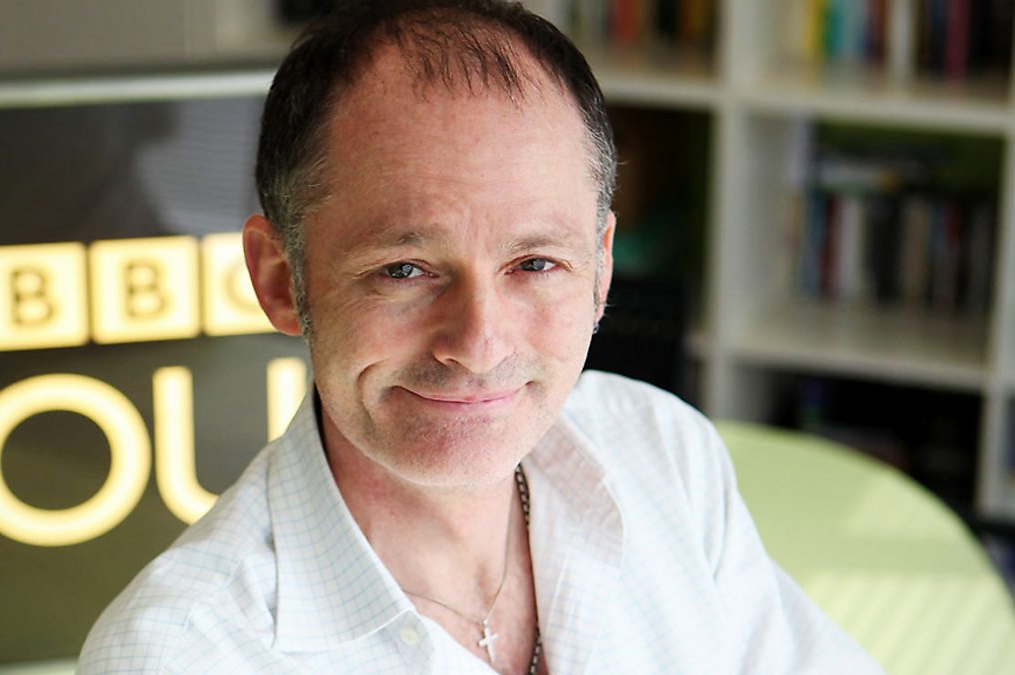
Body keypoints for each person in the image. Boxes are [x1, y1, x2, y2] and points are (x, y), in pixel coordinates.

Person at [79, 1, 882, 672]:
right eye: (404, 269)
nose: (479, 343)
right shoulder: (177, 655)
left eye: (535, 263)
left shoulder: (664, 453)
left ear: (601, 268)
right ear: (281, 280)